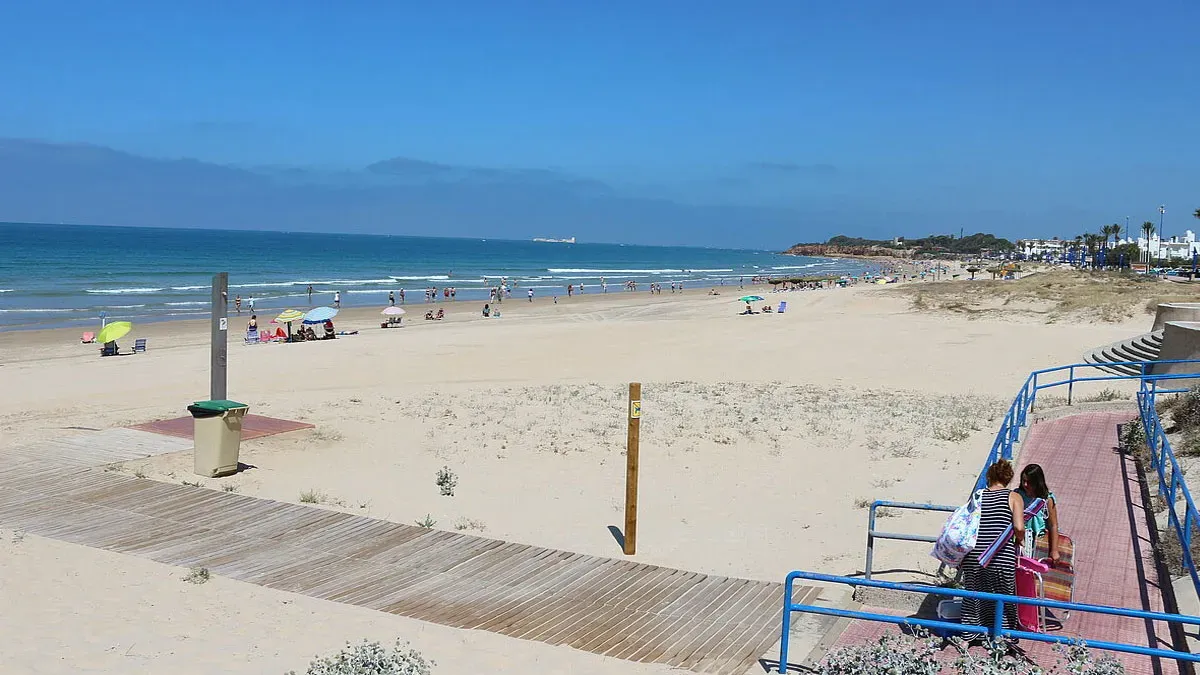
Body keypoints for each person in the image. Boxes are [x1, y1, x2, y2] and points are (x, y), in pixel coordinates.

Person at [960, 459, 1024, 636]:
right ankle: (1002, 636)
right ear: (1008, 478)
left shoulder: (978, 495)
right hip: (1000, 555)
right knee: (1003, 596)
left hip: (973, 554)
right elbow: (1019, 527)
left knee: (974, 596)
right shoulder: (1013, 497)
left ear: (989, 476)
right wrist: (1019, 540)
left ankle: (970, 635)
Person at [1015, 464, 1060, 562]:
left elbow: (1053, 525)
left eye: (1029, 482)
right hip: (1020, 542)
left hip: (1039, 542)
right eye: (1024, 481)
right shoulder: (1016, 495)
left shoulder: (1047, 499)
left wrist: (1054, 550)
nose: (1025, 484)